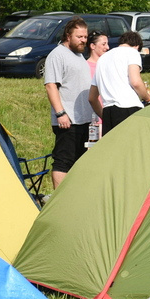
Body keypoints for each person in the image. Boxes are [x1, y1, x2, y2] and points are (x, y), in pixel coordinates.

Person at [44, 17, 93, 188]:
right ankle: (58, 203)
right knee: (63, 162)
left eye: (85, 37)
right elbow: (51, 85)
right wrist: (60, 113)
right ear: (68, 35)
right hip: (67, 120)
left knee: (77, 162)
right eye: (79, 37)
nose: (83, 40)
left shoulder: (78, 55)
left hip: (82, 119)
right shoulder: (57, 55)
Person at [89, 30, 150, 134]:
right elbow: (136, 82)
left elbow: (92, 98)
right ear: (137, 46)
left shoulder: (102, 58)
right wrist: (148, 99)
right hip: (128, 108)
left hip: (108, 111)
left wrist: (104, 116)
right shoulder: (132, 52)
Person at [86, 32, 110, 144]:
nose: (107, 47)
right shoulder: (85, 67)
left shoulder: (108, 66)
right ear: (92, 46)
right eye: (104, 44)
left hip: (107, 115)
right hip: (93, 119)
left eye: (107, 44)